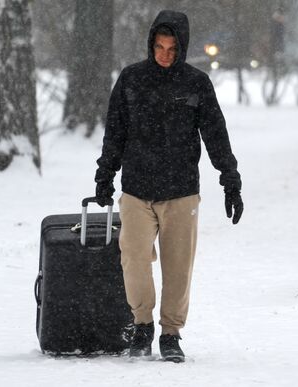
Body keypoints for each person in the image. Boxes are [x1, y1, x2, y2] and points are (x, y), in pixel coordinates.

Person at [94, 10, 243, 363]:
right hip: (136, 189)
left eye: (171, 48)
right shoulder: (131, 80)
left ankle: (171, 333)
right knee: (133, 257)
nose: (164, 54)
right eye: (159, 47)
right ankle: (142, 324)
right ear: (150, 44)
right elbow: (114, 133)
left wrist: (230, 179)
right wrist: (104, 175)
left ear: (182, 48)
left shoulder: (196, 84)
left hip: (181, 192)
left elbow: (215, 136)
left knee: (178, 266)